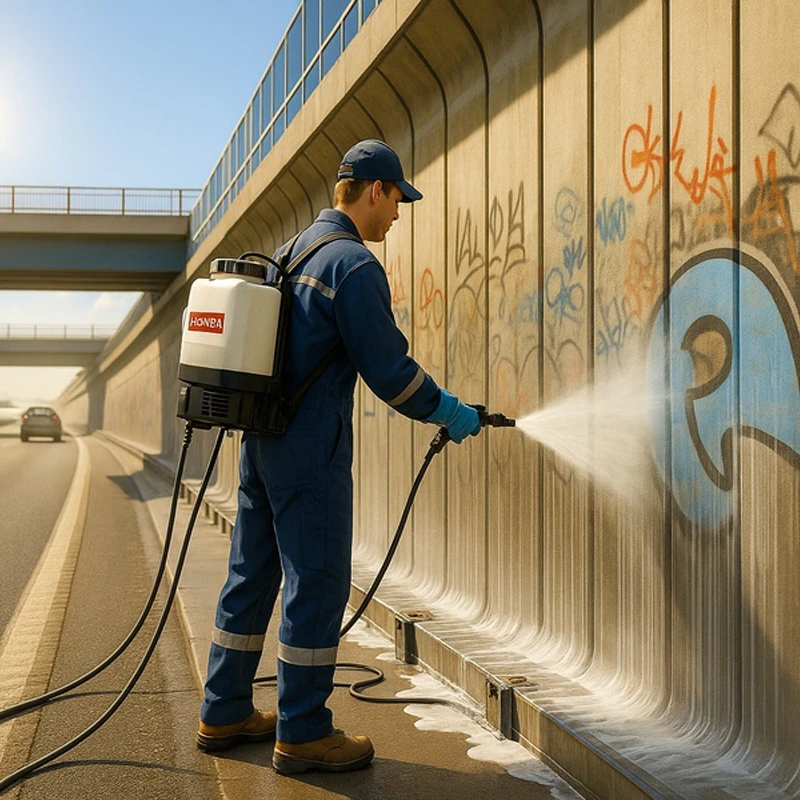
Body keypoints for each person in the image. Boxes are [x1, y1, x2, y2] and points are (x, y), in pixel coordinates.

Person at [196, 139, 480, 775]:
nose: (398, 214)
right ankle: (303, 732)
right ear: (375, 190)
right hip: (309, 452)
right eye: (398, 200)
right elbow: (390, 372)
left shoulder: (293, 251)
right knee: (316, 583)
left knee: (250, 575)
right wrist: (449, 411)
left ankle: (224, 709)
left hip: (259, 444)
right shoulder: (352, 265)